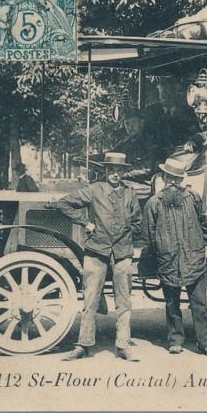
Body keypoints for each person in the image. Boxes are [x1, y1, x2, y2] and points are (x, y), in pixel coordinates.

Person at [54, 152, 142, 361]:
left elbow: (138, 222)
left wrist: (126, 230)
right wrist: (86, 222)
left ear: (123, 172)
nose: (114, 174)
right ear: (105, 171)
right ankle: (83, 346)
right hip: (96, 251)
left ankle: (123, 346)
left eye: (118, 170)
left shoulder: (131, 193)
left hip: (122, 253)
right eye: (110, 170)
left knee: (124, 301)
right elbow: (63, 203)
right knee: (90, 299)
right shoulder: (93, 190)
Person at [143, 158, 207, 357]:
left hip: (194, 260)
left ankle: (205, 343)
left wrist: (199, 244)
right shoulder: (154, 203)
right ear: (164, 178)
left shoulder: (193, 198)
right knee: (171, 304)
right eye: (170, 178)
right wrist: (162, 248)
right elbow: (149, 234)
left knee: (200, 305)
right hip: (169, 261)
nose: (173, 183)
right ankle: (175, 340)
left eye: (177, 179)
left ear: (182, 179)